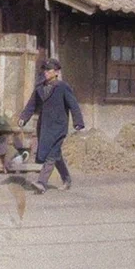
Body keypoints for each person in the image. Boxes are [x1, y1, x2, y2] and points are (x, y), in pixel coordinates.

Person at [17, 58, 84, 193]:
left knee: (51, 154)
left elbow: (73, 105)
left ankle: (41, 183)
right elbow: (31, 105)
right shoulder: (40, 88)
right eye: (45, 70)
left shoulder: (63, 87)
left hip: (59, 127)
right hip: (44, 127)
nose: (46, 72)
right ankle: (67, 179)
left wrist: (78, 122)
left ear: (57, 72)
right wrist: (23, 118)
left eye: (49, 70)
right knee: (55, 154)